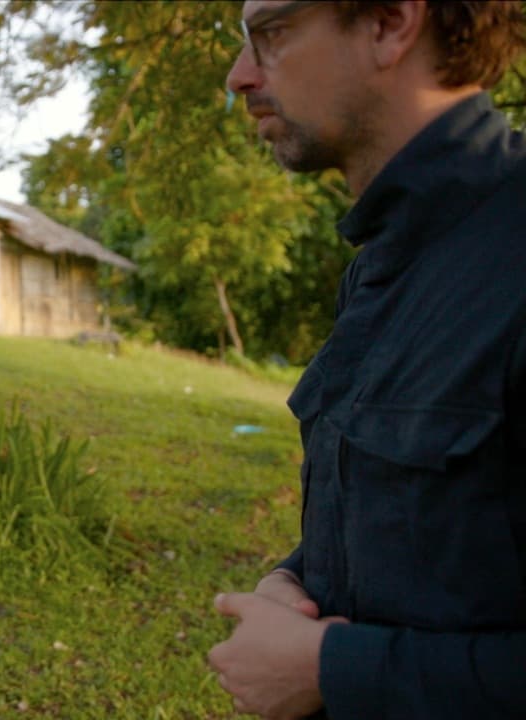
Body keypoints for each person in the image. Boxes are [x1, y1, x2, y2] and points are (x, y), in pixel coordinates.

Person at [209, 2, 526, 719]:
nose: (240, 76)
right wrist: (293, 581)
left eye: (273, 34)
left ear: (388, 22)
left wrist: (334, 668)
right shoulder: (383, 264)